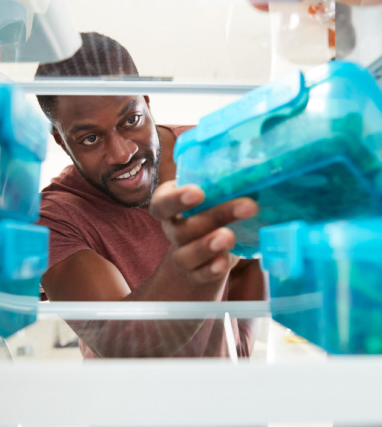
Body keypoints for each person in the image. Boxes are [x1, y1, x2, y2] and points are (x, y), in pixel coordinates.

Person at [35, 32, 267, 358]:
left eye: (131, 120)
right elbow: (122, 340)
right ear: (61, 141)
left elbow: (249, 264)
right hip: (127, 404)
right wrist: (197, 255)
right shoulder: (55, 218)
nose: (121, 153)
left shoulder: (213, 155)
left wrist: (239, 344)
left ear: (146, 99)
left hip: (223, 397)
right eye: (89, 139)